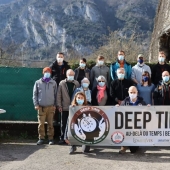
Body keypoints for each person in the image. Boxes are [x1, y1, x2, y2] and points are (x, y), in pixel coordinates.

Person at [117, 86, 147, 154]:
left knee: (133, 151)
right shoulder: (124, 102)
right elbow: (119, 112)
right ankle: (124, 146)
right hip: (127, 125)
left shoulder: (142, 102)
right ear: (128, 93)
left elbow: (146, 113)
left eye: (134, 92)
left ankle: (136, 145)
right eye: (131, 92)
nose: (132, 94)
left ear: (137, 92)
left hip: (137, 126)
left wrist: (148, 108)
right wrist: (117, 108)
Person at [33, 67, 57, 145]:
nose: (47, 73)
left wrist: (55, 105)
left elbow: (56, 94)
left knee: (51, 124)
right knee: (41, 124)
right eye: (46, 72)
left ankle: (51, 139)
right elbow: (35, 94)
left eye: (49, 72)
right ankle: (41, 138)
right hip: (41, 107)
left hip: (51, 107)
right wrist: (36, 104)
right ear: (43, 73)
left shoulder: (53, 83)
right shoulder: (38, 82)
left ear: (50, 73)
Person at [57, 69, 80, 144]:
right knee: (63, 123)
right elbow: (59, 95)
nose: (71, 76)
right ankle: (63, 138)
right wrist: (59, 105)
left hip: (74, 108)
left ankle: (73, 138)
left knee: (74, 124)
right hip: (65, 107)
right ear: (66, 75)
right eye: (70, 75)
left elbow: (79, 95)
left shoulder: (76, 83)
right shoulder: (62, 83)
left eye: (72, 75)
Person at [50, 52, 70, 126]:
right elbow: (49, 76)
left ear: (63, 57)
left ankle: (63, 121)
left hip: (64, 88)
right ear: (56, 57)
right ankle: (55, 120)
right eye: (58, 56)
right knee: (55, 104)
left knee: (63, 103)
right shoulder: (52, 66)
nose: (60, 58)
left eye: (61, 57)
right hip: (54, 88)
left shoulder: (67, 66)